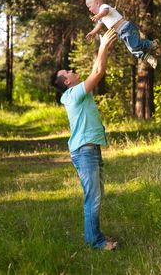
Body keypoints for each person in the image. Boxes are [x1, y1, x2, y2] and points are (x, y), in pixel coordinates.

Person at [52, 28, 118, 250]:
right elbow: (97, 71)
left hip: (90, 149)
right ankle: (96, 242)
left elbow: (98, 68)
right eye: (68, 71)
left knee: (97, 195)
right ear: (67, 82)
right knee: (93, 198)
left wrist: (103, 46)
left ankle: (95, 234)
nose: (71, 70)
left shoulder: (78, 91)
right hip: (84, 151)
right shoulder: (71, 95)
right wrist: (103, 45)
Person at [86, 0, 160, 69]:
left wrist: (98, 15)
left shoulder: (103, 7)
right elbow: (99, 24)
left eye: (89, 6)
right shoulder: (100, 16)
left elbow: (105, 11)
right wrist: (93, 32)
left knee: (134, 46)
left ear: (97, 3)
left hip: (126, 28)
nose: (89, 9)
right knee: (133, 49)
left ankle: (151, 46)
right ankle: (148, 55)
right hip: (122, 32)